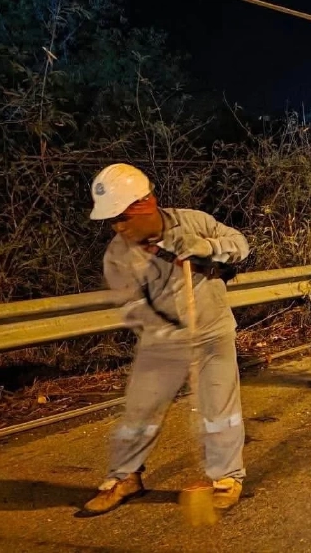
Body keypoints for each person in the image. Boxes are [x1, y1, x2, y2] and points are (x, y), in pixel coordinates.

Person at [79, 163, 249, 516]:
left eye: (122, 217)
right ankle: (124, 477)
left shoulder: (194, 222)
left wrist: (206, 247)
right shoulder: (118, 256)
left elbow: (240, 246)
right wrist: (170, 335)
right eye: (113, 220)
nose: (118, 227)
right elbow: (134, 308)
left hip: (214, 332)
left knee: (220, 412)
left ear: (144, 205)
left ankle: (226, 477)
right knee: (139, 413)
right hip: (161, 343)